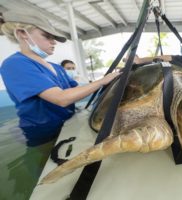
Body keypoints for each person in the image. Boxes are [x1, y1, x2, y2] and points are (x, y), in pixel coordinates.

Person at [0, 10, 121, 146]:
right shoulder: (15, 64)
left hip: (68, 124)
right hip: (42, 133)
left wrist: (113, 81)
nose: (54, 42)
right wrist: (102, 81)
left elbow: (78, 90)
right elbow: (61, 98)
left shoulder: (56, 67)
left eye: (54, 38)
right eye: (47, 36)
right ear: (22, 34)